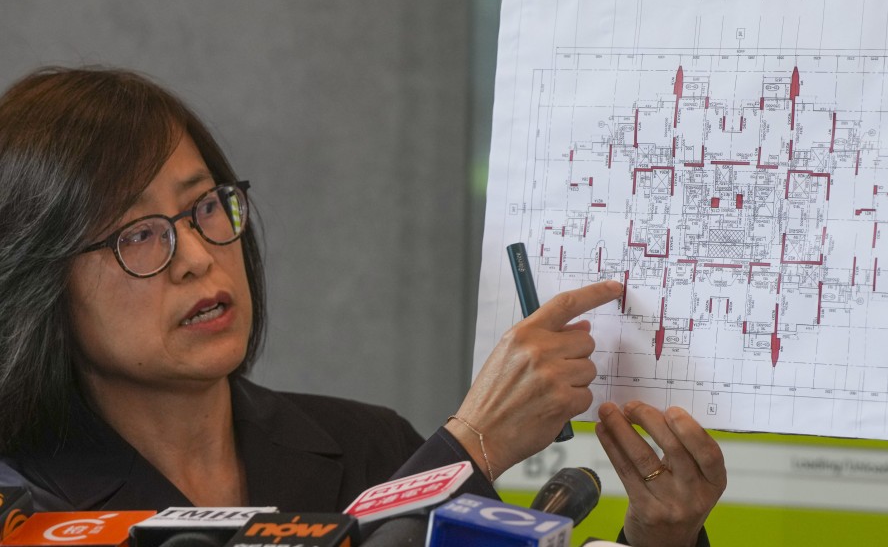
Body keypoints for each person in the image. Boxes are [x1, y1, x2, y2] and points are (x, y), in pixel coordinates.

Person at [0, 66, 725, 546]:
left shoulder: (369, 444)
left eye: (205, 207)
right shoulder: (27, 507)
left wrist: (659, 536)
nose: (196, 254)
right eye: (138, 235)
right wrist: (468, 450)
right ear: (40, 283)